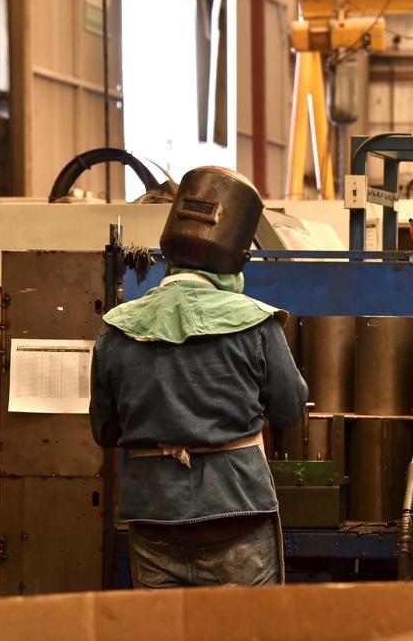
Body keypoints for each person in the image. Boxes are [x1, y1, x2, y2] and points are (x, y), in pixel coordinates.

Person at [89, 166, 307, 588]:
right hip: (236, 510)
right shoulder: (256, 324)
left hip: (152, 516)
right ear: (238, 257)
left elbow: (105, 430)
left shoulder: (115, 329)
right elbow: (289, 409)